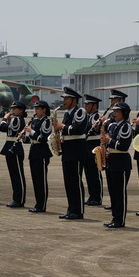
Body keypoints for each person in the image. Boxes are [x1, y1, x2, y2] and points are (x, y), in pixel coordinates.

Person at [54, 86, 91, 220]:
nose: (64, 101)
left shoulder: (80, 112)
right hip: (68, 149)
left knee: (75, 180)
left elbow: (79, 129)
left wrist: (62, 127)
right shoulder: (67, 113)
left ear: (74, 100)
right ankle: (71, 209)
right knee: (68, 181)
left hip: (77, 149)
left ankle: (78, 210)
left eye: (67, 99)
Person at [103, 102, 134, 228]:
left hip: (121, 161)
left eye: (117, 112)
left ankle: (120, 219)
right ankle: (115, 217)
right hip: (112, 159)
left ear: (124, 113)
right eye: (114, 111)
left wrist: (108, 141)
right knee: (112, 191)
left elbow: (123, 146)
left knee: (119, 192)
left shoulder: (126, 126)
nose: (114, 114)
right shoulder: (113, 126)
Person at [24, 100, 53, 213]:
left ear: (44, 109)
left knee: (41, 180)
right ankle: (38, 203)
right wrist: (24, 138)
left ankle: (42, 205)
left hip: (42, 152)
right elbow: (32, 139)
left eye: (38, 109)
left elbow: (43, 138)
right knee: (35, 180)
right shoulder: (35, 121)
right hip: (34, 151)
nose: (36, 111)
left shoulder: (47, 121)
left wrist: (30, 131)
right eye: (35, 109)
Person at [0, 101, 28, 208]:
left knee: (18, 175)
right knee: (13, 175)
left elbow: (2, 128)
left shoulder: (18, 119)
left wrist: (4, 118)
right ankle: (16, 198)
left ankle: (19, 199)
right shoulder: (16, 119)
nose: (12, 110)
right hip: (10, 146)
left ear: (21, 110)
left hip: (15, 147)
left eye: (15, 108)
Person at [82, 94, 104, 207]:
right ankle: (92, 195)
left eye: (88, 104)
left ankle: (97, 196)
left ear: (94, 106)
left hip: (94, 145)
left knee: (95, 173)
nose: (85, 106)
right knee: (89, 173)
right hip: (87, 145)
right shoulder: (87, 116)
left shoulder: (97, 117)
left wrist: (96, 127)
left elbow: (97, 131)